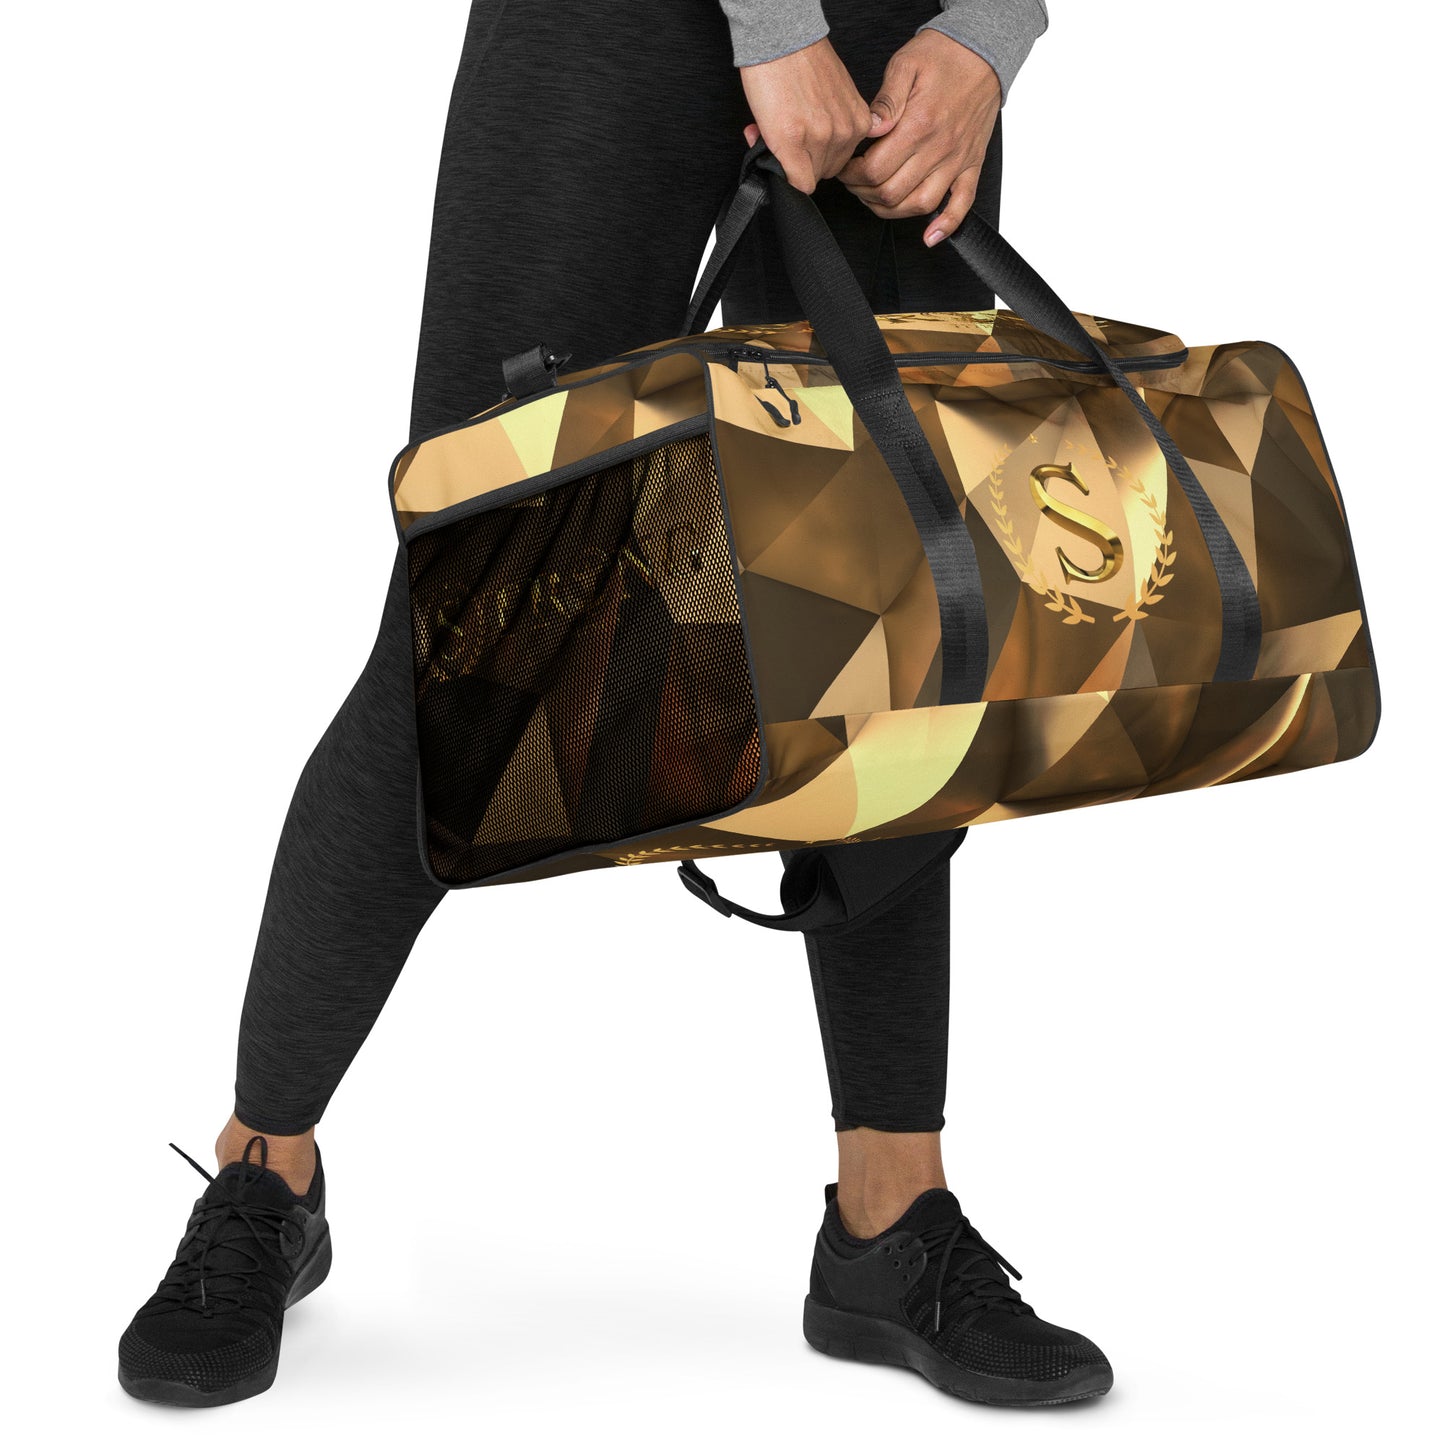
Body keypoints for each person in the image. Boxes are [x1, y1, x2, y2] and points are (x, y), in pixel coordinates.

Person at [118, 0, 1109, 1412]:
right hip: (613, 30)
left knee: (889, 631)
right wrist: (774, 23)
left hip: (911, 53)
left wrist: (990, 32)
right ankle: (263, 1171)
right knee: (475, 614)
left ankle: (889, 1219)